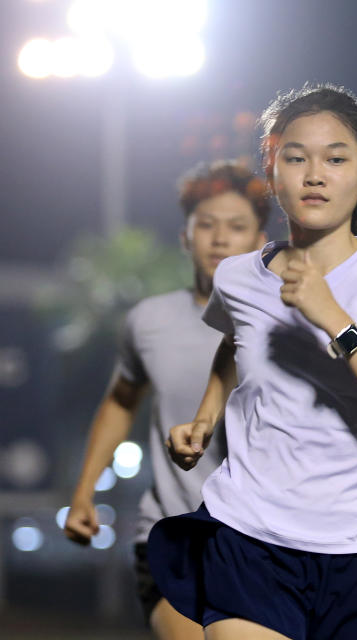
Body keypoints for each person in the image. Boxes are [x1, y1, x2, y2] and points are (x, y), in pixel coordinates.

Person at [147, 84, 357, 640]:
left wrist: (336, 322)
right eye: (296, 157)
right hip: (248, 536)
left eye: (336, 159)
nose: (315, 174)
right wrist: (205, 420)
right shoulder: (237, 277)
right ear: (271, 168)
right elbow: (236, 345)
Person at [64, 160, 270, 639]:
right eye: (206, 226)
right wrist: (83, 492)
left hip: (264, 535)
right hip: (172, 528)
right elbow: (120, 400)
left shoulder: (285, 323)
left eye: (236, 227)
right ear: (185, 236)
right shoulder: (149, 319)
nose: (219, 239)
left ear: (262, 242)